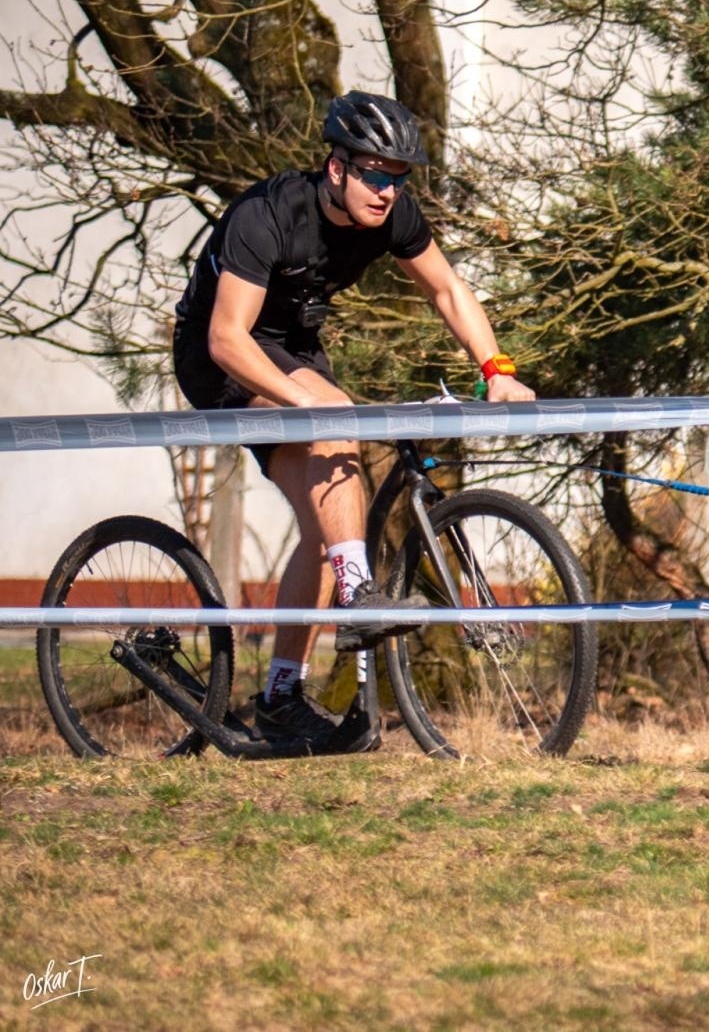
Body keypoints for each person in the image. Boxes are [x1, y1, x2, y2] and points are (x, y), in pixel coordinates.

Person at [172, 91, 535, 745]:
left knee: (325, 519)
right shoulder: (268, 215)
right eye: (373, 173)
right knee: (336, 422)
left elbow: (446, 288)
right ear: (336, 167)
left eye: (397, 178)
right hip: (221, 352)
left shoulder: (391, 214)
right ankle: (361, 596)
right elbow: (227, 338)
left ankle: (281, 695)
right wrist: (306, 402)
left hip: (294, 348)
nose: (386, 190)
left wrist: (497, 370)